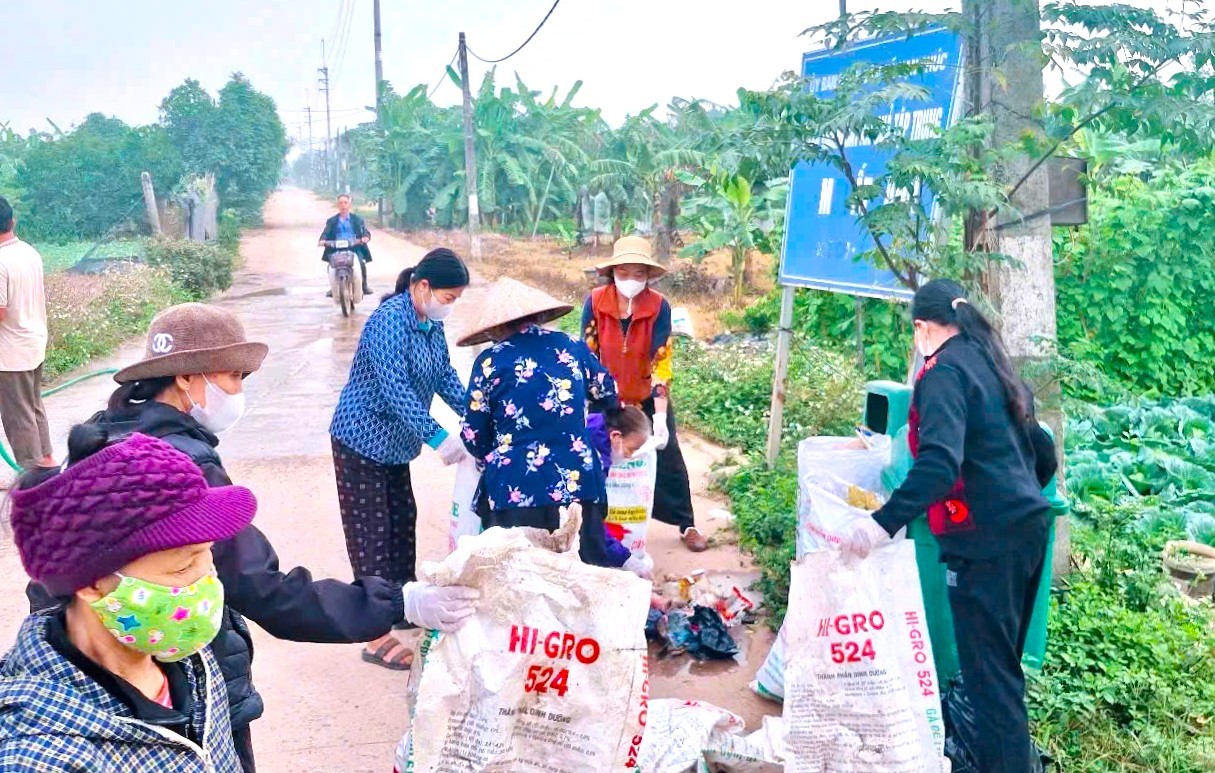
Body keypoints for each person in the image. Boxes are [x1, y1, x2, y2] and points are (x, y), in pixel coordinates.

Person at [26, 302, 479, 772]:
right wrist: (397, 603)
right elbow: (258, 585)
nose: (239, 391)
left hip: (99, 665)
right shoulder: (182, 468)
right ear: (187, 377)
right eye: (233, 377)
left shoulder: (105, 436)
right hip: (174, 673)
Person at [842, 279, 1058, 773]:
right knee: (1003, 674)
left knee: (990, 684)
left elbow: (939, 464)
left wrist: (881, 525)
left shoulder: (942, 374)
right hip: (1026, 532)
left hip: (985, 547)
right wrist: (1013, 498)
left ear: (922, 327)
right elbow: (1041, 451)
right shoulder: (992, 362)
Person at [1, 429, 252, 771]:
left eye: (208, 555)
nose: (207, 580)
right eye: (183, 566)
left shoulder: (188, 662)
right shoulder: (40, 758)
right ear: (91, 584)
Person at [329, 248, 472, 658]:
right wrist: (439, 437)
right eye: (448, 297)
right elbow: (396, 391)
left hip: (394, 446)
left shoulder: (429, 323)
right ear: (422, 286)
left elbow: (444, 374)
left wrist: (476, 415)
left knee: (399, 522)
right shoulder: (388, 321)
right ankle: (373, 635)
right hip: (361, 439)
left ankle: (402, 605)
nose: (450, 306)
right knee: (371, 533)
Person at [457, 277, 620, 567]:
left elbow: (473, 435)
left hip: (515, 488)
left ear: (494, 328)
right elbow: (608, 393)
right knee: (585, 575)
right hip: (578, 482)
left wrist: (495, 448)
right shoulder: (573, 347)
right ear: (540, 315)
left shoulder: (489, 361)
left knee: (523, 578)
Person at [582, 235, 708, 552]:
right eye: (623, 273)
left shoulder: (658, 306)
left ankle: (687, 523)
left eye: (639, 274)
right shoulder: (595, 302)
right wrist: (594, 400)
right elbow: (587, 355)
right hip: (605, 397)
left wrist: (661, 415)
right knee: (598, 458)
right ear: (612, 273)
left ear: (648, 277)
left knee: (669, 457)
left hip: (647, 396)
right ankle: (596, 528)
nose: (631, 281)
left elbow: (660, 360)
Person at [0, 195, 54, 472]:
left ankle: (32, 477)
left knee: (17, 416)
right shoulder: (29, 252)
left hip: (10, 355)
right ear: (12, 221)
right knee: (33, 407)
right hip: (33, 343)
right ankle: (46, 462)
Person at [586, 405, 655, 576]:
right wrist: (625, 559)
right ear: (616, 436)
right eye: (631, 449)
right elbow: (591, 522)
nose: (630, 457)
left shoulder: (590, 429)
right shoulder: (590, 461)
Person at [319, 193, 373, 296]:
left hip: (354, 247)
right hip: (336, 248)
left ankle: (364, 286)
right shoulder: (332, 221)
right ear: (337, 205)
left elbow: (365, 231)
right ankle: (333, 288)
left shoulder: (358, 219)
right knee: (331, 266)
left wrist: (365, 237)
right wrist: (322, 240)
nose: (343, 205)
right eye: (340, 203)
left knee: (361, 263)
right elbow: (325, 233)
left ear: (349, 205)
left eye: (345, 203)